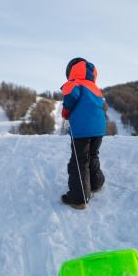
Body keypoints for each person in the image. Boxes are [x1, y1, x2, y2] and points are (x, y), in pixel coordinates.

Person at [60, 57, 106, 209]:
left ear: (71, 70)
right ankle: (96, 183)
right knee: (92, 155)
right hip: (99, 128)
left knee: (79, 161)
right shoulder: (94, 87)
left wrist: (66, 112)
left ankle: (78, 198)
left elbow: (70, 99)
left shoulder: (74, 83)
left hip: (82, 129)